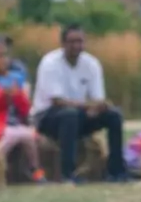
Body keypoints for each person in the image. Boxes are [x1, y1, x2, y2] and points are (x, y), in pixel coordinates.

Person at [31, 24, 128, 183]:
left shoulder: (91, 64)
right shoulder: (50, 63)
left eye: (80, 41)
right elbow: (57, 101)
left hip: (80, 114)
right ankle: (67, 174)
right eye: (72, 42)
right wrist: (87, 107)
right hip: (48, 117)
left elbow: (97, 98)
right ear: (63, 44)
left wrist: (99, 107)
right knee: (70, 115)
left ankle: (116, 171)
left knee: (114, 115)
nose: (77, 46)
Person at [0, 35, 46, 184]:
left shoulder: (14, 78)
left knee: (29, 138)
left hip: (15, 124)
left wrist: (17, 96)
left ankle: (36, 172)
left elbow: (25, 109)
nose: (3, 60)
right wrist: (1, 96)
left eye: (5, 55)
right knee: (12, 137)